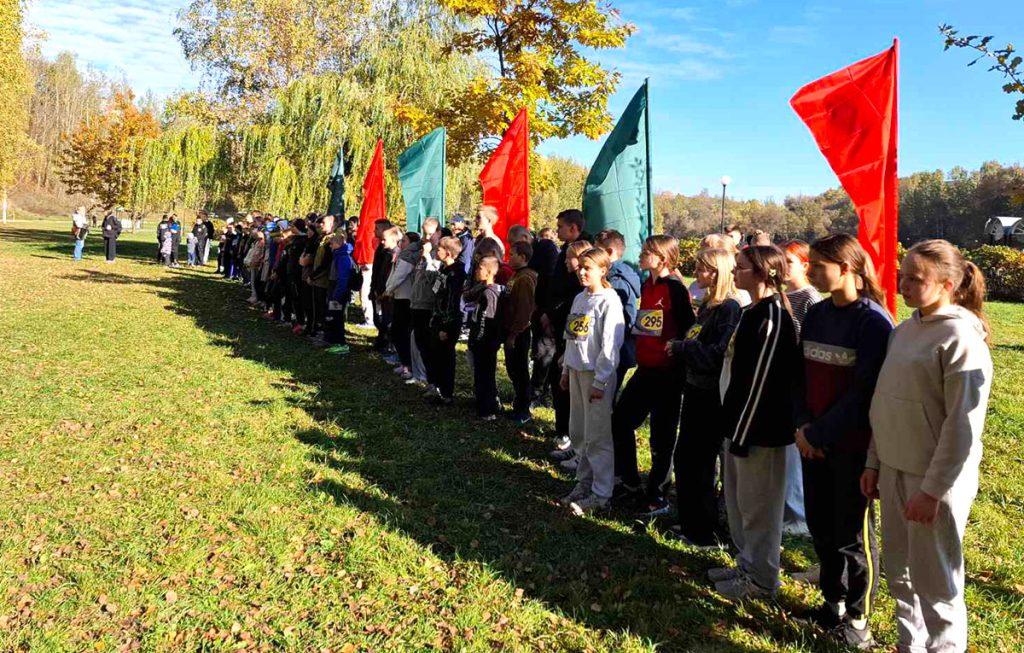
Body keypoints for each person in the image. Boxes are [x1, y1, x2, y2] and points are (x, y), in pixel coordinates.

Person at [862, 240, 992, 653]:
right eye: (902, 275)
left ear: (948, 284)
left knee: (936, 580)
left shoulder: (961, 337)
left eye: (915, 279)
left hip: (933, 481)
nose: (903, 285)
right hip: (895, 469)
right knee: (900, 574)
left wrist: (932, 490)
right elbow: (884, 403)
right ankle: (910, 644)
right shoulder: (903, 331)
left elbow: (962, 425)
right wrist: (874, 462)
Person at [792, 234, 893, 648]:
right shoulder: (816, 314)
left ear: (847, 268)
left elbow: (864, 393)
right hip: (810, 442)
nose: (811, 271)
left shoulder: (873, 321)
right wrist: (802, 428)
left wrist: (820, 433)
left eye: (818, 264)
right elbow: (798, 376)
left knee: (852, 535)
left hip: (850, 446)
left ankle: (858, 617)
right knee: (820, 525)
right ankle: (830, 601)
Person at [711, 245, 800, 601]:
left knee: (760, 509)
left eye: (741, 268)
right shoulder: (752, 312)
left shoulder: (773, 317)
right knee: (741, 503)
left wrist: (741, 433)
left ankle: (763, 580)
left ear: (763, 273)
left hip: (759, 432)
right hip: (738, 426)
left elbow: (761, 383)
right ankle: (746, 564)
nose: (734, 273)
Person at [611, 235, 694, 515]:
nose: (642, 254)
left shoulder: (675, 289)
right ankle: (630, 481)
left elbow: (688, 329)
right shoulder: (647, 284)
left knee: (662, 434)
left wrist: (676, 354)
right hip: (645, 369)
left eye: (648, 251)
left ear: (663, 258)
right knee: (621, 420)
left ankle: (658, 494)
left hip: (668, 373)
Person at [670, 247, 743, 547]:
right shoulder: (708, 305)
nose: (696, 273)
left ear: (716, 272)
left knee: (699, 461)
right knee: (685, 457)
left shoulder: (729, 308)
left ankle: (704, 531)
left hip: (711, 396)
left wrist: (682, 349)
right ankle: (690, 523)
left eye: (701, 268)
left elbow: (716, 354)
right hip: (694, 388)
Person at [559, 247, 625, 515]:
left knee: (597, 435)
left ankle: (601, 493)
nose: (583, 272)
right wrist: (565, 369)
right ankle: (583, 483)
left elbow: (611, 344)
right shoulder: (579, 298)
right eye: (581, 267)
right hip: (575, 371)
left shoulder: (609, 300)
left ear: (603, 270)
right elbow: (571, 336)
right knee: (579, 431)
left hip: (596, 376)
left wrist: (600, 380)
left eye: (589, 268)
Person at [781, 239, 823, 539]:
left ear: (805, 265)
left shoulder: (810, 299)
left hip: (799, 381)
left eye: (790, 262)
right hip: (782, 382)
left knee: (794, 454)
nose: (784, 268)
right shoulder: (783, 295)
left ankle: (799, 515)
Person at [540, 209, 592, 454]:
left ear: (573, 228)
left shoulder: (583, 257)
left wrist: (556, 313)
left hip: (578, 343)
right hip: (561, 329)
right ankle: (564, 432)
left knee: (570, 390)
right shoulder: (564, 252)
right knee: (559, 382)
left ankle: (573, 440)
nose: (557, 230)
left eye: (560, 227)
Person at [595, 229, 641, 392]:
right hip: (612, 349)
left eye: (597, 250)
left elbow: (625, 318)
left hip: (617, 350)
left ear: (609, 252)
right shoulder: (611, 276)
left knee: (606, 397)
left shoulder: (618, 282)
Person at [502, 240, 538, 424]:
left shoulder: (525, 278)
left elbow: (524, 310)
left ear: (523, 257)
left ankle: (524, 408)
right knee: (513, 369)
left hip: (519, 332)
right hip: (511, 329)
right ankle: (519, 403)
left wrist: (514, 334)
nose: (509, 258)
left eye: (512, 255)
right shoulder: (517, 275)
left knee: (520, 370)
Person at [428, 236, 467, 405]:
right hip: (437, 317)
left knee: (446, 357)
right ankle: (436, 387)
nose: (436, 251)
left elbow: (453, 301)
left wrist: (446, 327)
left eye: (439, 249)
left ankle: (447, 393)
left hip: (449, 322)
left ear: (449, 253)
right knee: (435, 355)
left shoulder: (456, 273)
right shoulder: (443, 270)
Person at [465, 255, 503, 420]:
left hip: (485, 342)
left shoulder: (490, 293)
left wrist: (479, 339)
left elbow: (487, 321)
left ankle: (487, 410)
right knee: (480, 374)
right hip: (480, 340)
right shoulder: (482, 289)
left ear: (488, 272)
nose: (476, 271)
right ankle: (483, 404)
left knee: (485, 376)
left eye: (480, 268)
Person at [324, 232, 354, 355]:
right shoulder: (338, 255)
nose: (330, 246)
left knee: (336, 317)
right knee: (333, 316)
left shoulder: (343, 257)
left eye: (331, 244)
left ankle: (341, 343)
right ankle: (334, 340)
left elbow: (343, 279)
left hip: (339, 294)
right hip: (334, 291)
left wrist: (336, 296)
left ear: (337, 244)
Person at [370, 220, 396, 351]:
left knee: (386, 318)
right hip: (377, 287)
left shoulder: (392, 252)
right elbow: (377, 269)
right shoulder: (381, 247)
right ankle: (381, 339)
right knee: (378, 317)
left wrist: (384, 290)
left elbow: (388, 273)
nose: (374, 231)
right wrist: (373, 287)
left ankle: (386, 343)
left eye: (377, 229)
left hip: (386, 291)